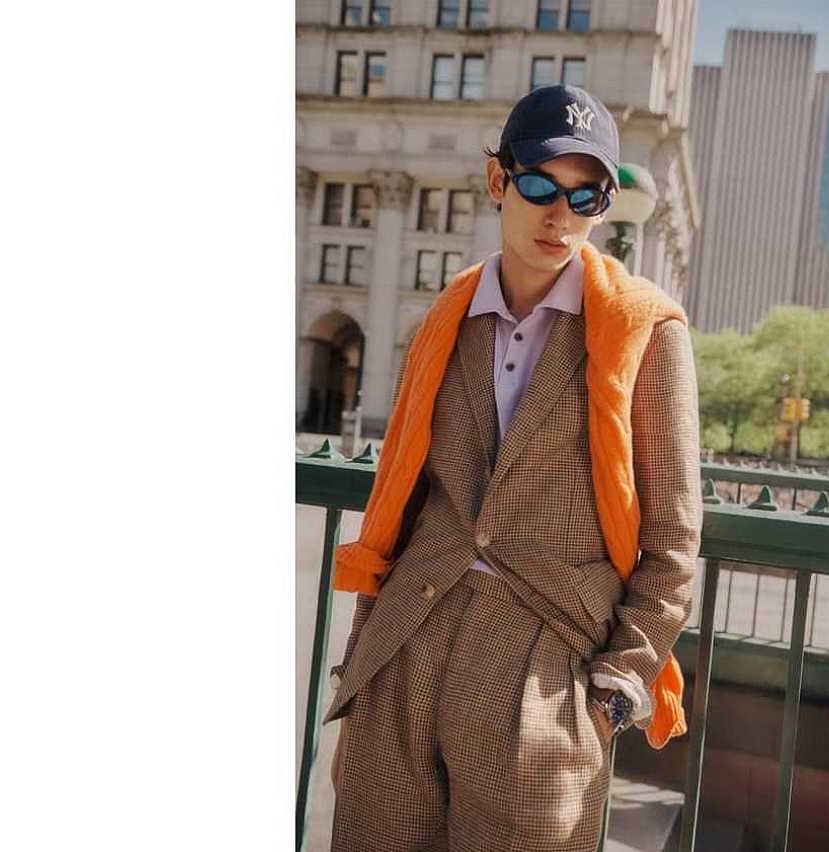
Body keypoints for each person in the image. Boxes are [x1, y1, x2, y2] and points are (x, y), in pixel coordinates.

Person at [321, 84, 703, 852]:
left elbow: (673, 537)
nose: (560, 214)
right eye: (539, 185)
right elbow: (402, 500)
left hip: (544, 666)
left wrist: (615, 689)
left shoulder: (645, 330)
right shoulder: (447, 317)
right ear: (499, 180)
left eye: (586, 195)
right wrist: (365, 653)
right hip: (408, 643)